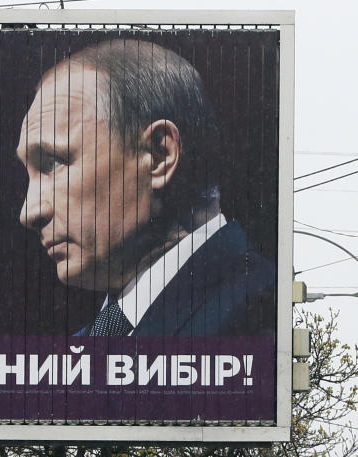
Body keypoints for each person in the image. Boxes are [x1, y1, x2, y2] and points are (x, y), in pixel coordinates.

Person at [16, 36, 275, 339]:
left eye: (53, 163)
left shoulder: (262, 307)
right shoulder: (82, 346)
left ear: (158, 156)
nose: (28, 212)